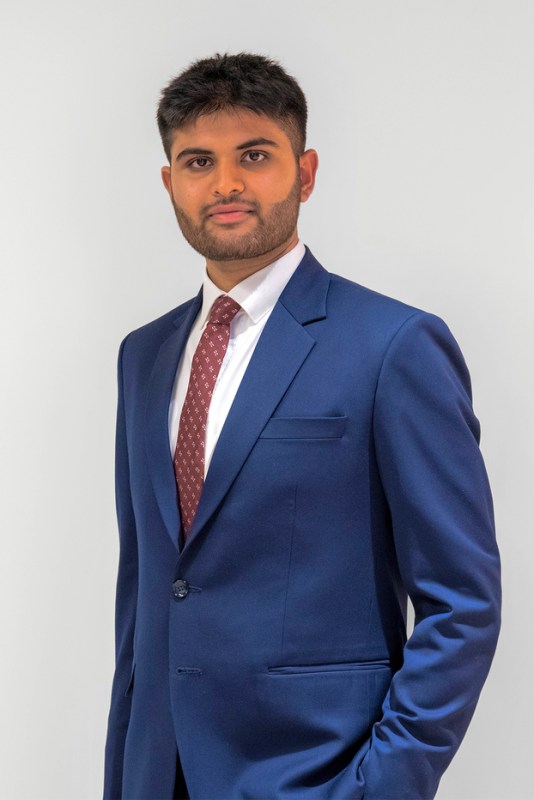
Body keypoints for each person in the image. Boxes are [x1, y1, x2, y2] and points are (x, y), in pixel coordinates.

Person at [103, 52, 501, 800]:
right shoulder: (144, 356)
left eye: (254, 155)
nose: (224, 183)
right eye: (198, 161)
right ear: (170, 185)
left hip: (314, 776)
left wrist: (383, 786)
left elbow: (461, 602)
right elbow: (146, 598)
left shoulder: (393, 346)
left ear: (306, 172)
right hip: (159, 775)